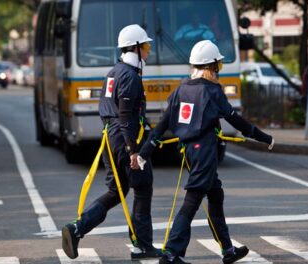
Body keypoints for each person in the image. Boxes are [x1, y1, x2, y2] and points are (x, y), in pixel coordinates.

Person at [137, 40, 274, 264]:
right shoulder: (212, 91)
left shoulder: (180, 90)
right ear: (211, 67)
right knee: (192, 201)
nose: (218, 70)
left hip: (190, 152)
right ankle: (171, 253)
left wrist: (144, 153)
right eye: (217, 65)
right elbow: (236, 120)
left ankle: (227, 250)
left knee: (215, 194)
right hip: (205, 152)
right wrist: (264, 137)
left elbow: (161, 126)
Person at [61, 24, 162, 261]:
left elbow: (107, 110)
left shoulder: (113, 72)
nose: (148, 52)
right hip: (123, 137)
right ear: (135, 48)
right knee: (143, 186)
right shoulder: (130, 77)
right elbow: (126, 116)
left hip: (109, 136)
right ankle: (142, 246)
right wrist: (133, 151)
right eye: (146, 47)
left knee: (116, 191)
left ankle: (77, 228)